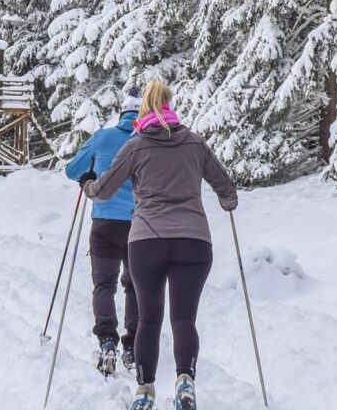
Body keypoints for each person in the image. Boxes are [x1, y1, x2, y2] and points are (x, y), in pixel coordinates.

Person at [80, 79, 238, 410]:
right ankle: (185, 380)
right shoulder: (195, 143)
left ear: (143, 111)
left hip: (147, 241)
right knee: (184, 319)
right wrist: (227, 201)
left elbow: (105, 189)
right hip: (194, 242)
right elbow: (225, 185)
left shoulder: (136, 146)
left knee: (150, 319)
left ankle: (145, 390)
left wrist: (89, 186)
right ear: (170, 106)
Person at [63, 88, 143, 376]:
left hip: (105, 223)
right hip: (139, 225)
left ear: (121, 113)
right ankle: (132, 346)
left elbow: (73, 170)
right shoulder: (147, 140)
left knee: (104, 285)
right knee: (134, 286)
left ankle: (107, 340)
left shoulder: (103, 137)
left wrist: (89, 177)